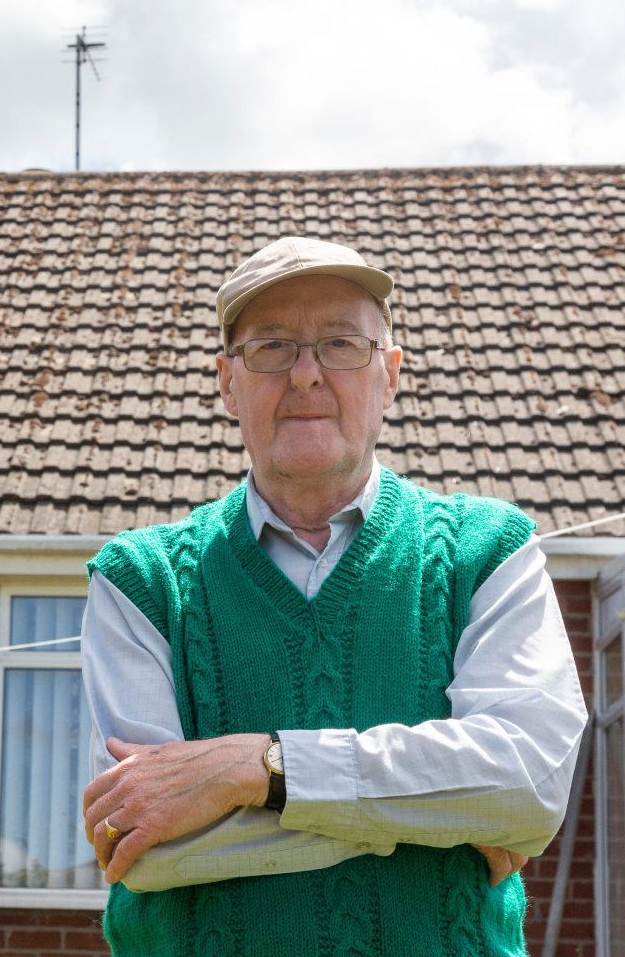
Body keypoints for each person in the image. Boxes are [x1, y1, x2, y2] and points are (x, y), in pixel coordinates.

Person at [81, 236, 587, 957]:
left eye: (342, 344)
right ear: (227, 382)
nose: (307, 375)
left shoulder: (487, 550)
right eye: (272, 347)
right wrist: (435, 816)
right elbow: (142, 842)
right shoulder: (141, 579)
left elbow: (527, 784)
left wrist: (255, 767)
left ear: (389, 375)